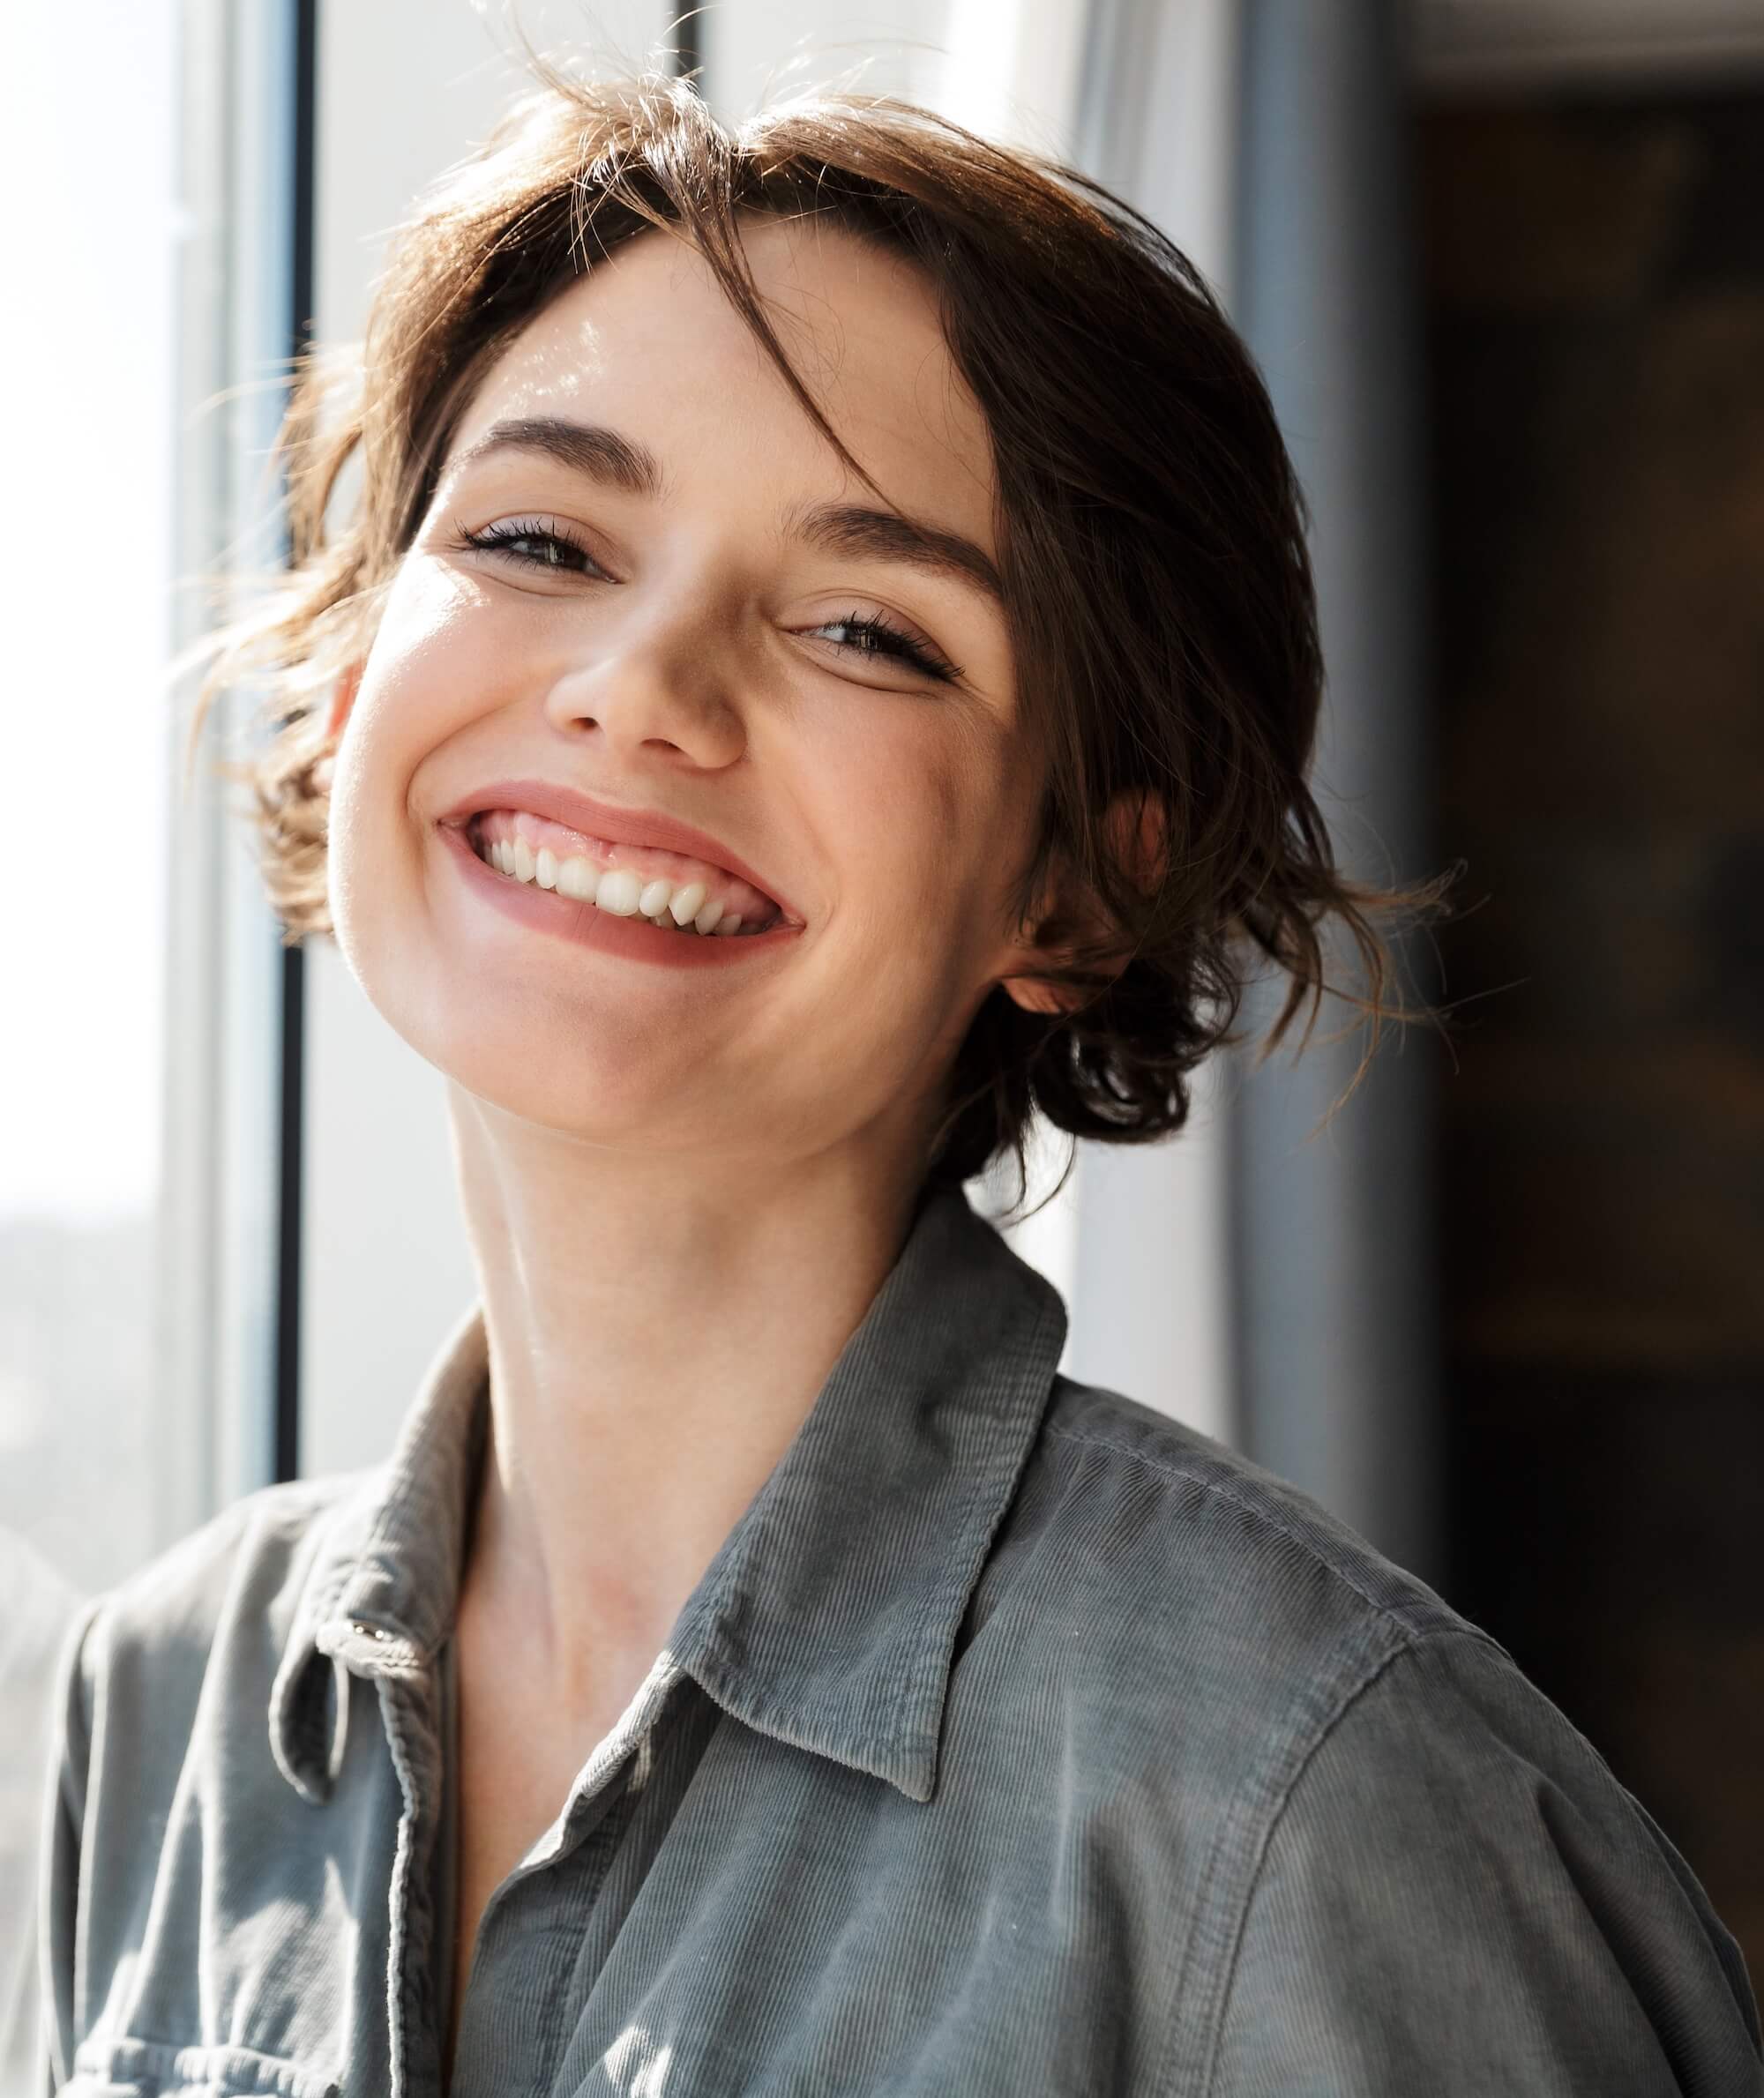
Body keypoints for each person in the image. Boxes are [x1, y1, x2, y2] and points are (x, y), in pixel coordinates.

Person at [39, 65, 1761, 2098]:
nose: (644, 689)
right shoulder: (166, 1704)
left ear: (1077, 881)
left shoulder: (1320, 1808)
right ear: (348, 690)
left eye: (868, 628)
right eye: (536, 533)